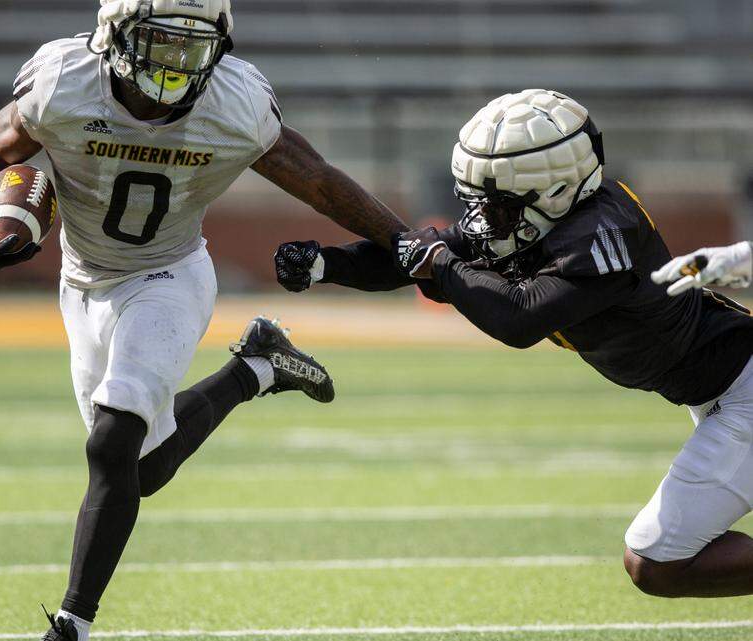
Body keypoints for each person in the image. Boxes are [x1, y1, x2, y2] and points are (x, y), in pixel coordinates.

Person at [0, 1, 410, 638]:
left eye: (189, 47)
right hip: (82, 283)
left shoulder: (232, 104)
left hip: (170, 275)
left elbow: (319, 181)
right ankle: (257, 368)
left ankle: (72, 625)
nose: (173, 64)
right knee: (141, 470)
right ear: (113, 37)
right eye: (159, 43)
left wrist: (409, 242)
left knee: (112, 440)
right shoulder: (64, 85)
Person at [274, 89, 753, 599]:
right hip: (720, 391)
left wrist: (440, 263)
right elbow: (428, 251)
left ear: (554, 190)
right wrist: (329, 264)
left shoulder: (603, 232)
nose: (483, 220)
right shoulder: (541, 218)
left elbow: (518, 318)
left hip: (742, 391)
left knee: (657, 561)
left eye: (497, 207)